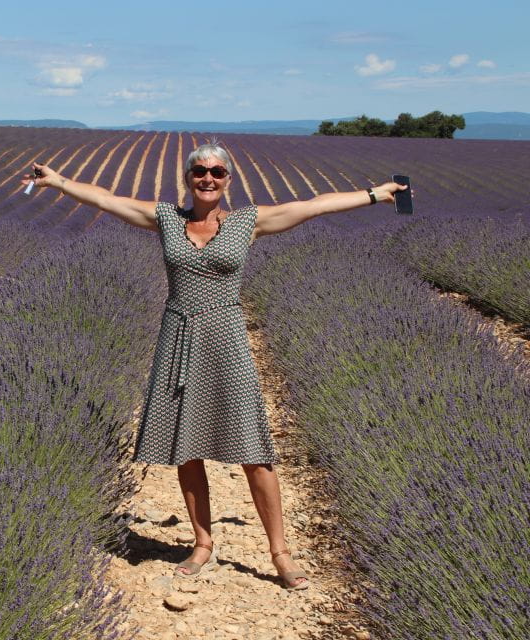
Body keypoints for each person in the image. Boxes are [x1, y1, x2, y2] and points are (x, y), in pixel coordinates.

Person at [21, 141, 407, 590]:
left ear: (229, 179)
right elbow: (108, 199)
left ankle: (280, 552)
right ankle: (202, 543)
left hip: (227, 338)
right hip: (179, 336)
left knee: (254, 451)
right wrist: (59, 182)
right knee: (186, 447)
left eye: (217, 172)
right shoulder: (166, 219)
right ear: (187, 178)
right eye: (199, 171)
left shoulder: (248, 222)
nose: (207, 178)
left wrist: (376, 194)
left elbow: (314, 206)